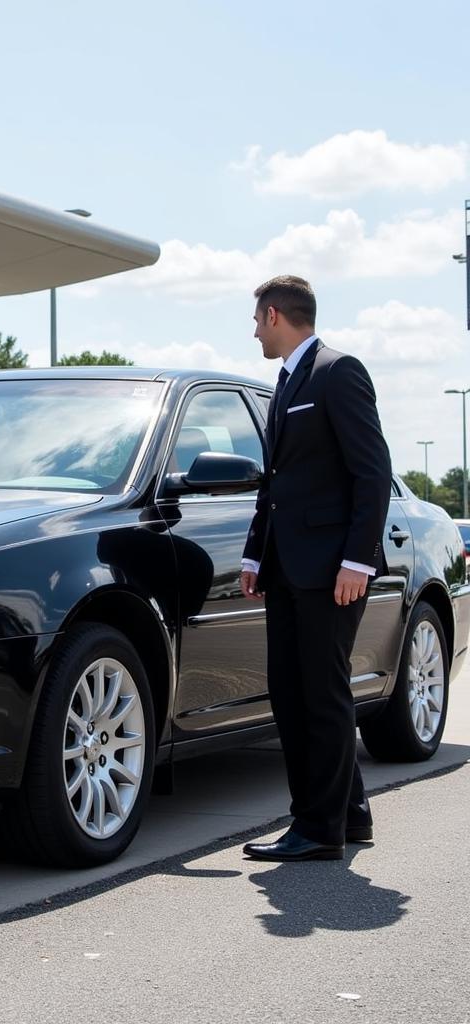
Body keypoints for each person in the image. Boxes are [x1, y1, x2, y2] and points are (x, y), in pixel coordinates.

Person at [239, 275, 391, 862]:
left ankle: (315, 828)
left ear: (275, 315)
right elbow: (275, 483)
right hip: (288, 567)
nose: (254, 331)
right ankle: (349, 814)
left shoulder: (337, 371)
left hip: (331, 571)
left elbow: (372, 471)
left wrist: (357, 559)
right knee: (299, 691)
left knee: (314, 696)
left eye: (256, 320)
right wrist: (256, 553)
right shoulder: (285, 383)